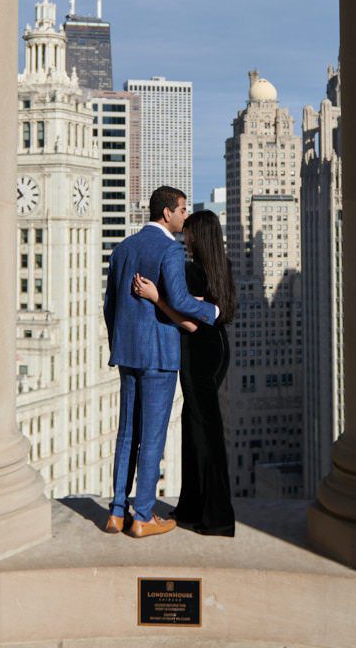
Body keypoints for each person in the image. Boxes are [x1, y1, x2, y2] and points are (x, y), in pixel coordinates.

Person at [103, 186, 219, 538]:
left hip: (127, 353)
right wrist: (211, 310)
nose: (186, 216)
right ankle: (142, 516)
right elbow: (180, 299)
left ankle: (116, 512)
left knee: (127, 434)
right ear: (166, 213)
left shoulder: (123, 249)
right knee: (152, 436)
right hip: (159, 355)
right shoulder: (170, 248)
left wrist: (119, 342)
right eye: (183, 210)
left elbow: (109, 306)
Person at [132, 209, 236, 536]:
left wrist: (156, 297)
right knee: (196, 430)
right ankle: (193, 508)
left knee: (204, 435)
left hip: (197, 353)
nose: (184, 237)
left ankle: (216, 517)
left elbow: (184, 317)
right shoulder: (222, 267)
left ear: (197, 236)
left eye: (188, 232)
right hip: (218, 349)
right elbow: (225, 311)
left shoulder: (191, 271)